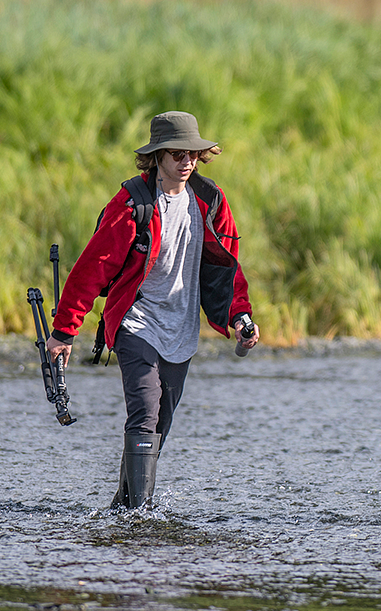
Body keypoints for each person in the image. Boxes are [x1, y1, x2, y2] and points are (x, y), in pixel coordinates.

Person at [46, 111, 259, 510]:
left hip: (181, 328)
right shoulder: (133, 204)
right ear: (157, 155)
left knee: (160, 423)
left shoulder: (210, 201)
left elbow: (227, 265)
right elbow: (92, 267)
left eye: (192, 153)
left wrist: (239, 315)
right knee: (144, 412)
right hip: (136, 322)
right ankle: (141, 518)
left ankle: (124, 508)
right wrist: (64, 332)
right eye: (176, 153)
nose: (186, 162)